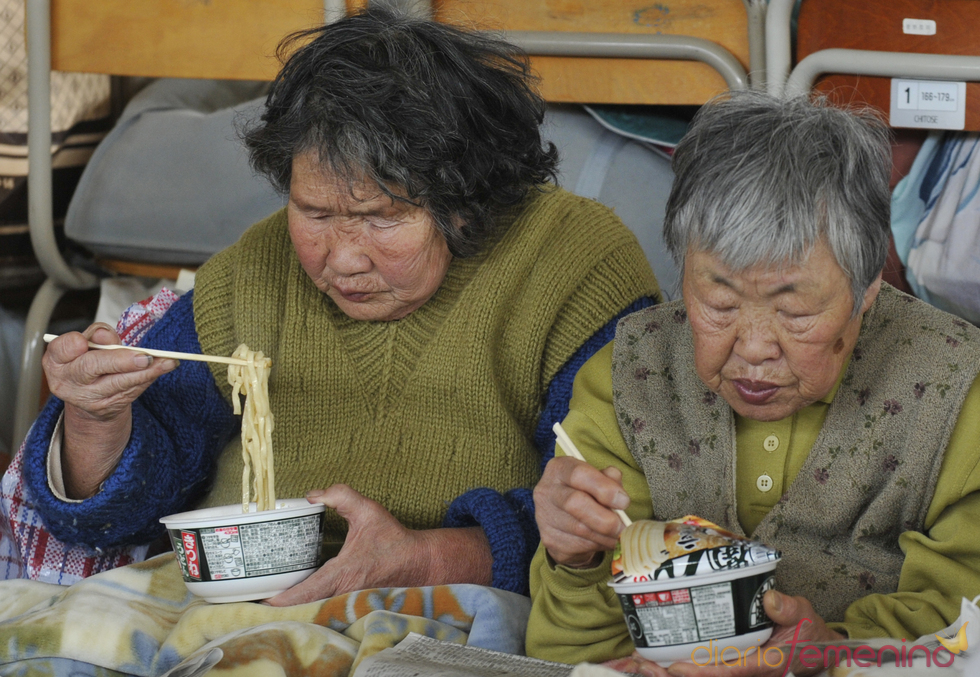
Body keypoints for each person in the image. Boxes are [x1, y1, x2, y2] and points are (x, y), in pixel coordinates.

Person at [8, 6, 659, 603]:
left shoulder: (574, 265)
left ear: (466, 202)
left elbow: (612, 516)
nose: (341, 258)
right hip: (228, 611)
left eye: (381, 218)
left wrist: (428, 559)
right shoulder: (251, 273)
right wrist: (95, 420)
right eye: (314, 212)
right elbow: (110, 519)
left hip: (459, 607)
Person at [526, 91, 980, 677]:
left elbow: (965, 633)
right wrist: (573, 560)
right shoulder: (629, 381)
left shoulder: (956, 394)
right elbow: (567, 660)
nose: (754, 347)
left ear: (867, 288)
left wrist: (840, 652)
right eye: (719, 303)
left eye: (794, 312)